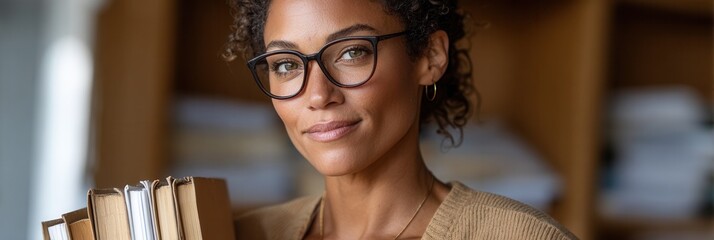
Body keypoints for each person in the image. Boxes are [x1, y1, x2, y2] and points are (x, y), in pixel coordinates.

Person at [223, 0, 577, 239]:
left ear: (429, 56)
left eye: (352, 52)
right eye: (286, 64)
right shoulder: (236, 233)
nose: (317, 95)